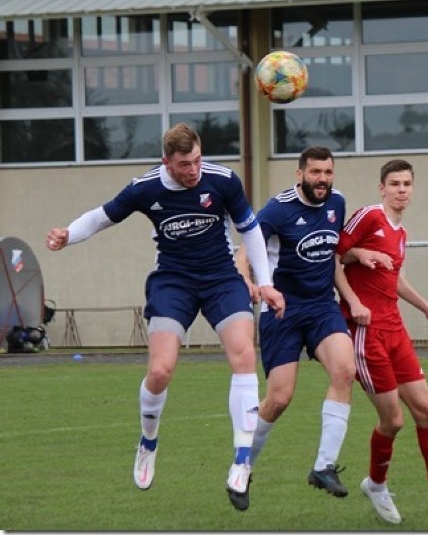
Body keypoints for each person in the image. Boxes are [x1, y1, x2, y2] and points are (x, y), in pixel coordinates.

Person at [45, 123, 284, 512]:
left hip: (222, 278)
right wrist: (67, 235)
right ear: (166, 163)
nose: (194, 170)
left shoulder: (222, 181)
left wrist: (267, 282)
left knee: (243, 356)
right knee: (160, 371)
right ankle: (148, 441)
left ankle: (241, 462)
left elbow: (251, 230)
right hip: (172, 282)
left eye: (197, 160)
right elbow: (101, 216)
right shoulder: (146, 188)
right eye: (185, 164)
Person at [334, 159, 428, 524]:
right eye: (395, 184)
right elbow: (332, 257)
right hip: (366, 333)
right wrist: (353, 301)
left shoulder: (401, 234)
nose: (402, 190)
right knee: (393, 421)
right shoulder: (368, 216)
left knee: (427, 411)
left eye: (407, 184)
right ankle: (376, 484)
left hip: (395, 330)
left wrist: (427, 307)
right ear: (382, 187)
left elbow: (394, 279)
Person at [234, 146, 356, 498]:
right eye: (316, 172)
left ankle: (323, 467)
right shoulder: (278, 208)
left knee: (345, 370)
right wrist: (246, 279)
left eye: (328, 172)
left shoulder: (337, 204)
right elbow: (246, 248)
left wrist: (353, 281)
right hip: (282, 309)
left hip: (321, 307)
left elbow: (332, 253)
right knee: (279, 399)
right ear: (299, 174)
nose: (323, 179)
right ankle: (243, 464)